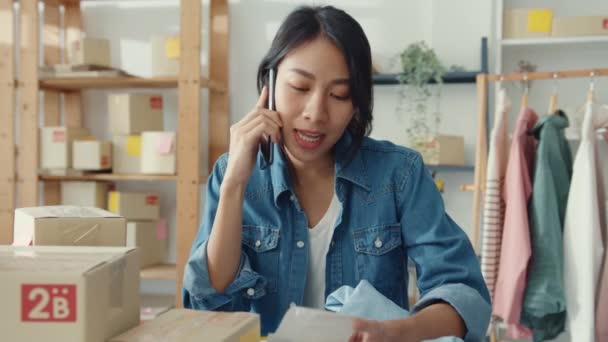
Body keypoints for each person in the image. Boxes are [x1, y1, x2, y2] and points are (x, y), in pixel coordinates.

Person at [183, 5, 490, 342]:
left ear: (357, 103)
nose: (316, 113)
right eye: (300, 87)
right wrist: (235, 184)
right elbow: (205, 302)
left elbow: (465, 295)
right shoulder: (232, 174)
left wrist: (393, 332)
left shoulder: (399, 175)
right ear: (268, 84)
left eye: (339, 95)